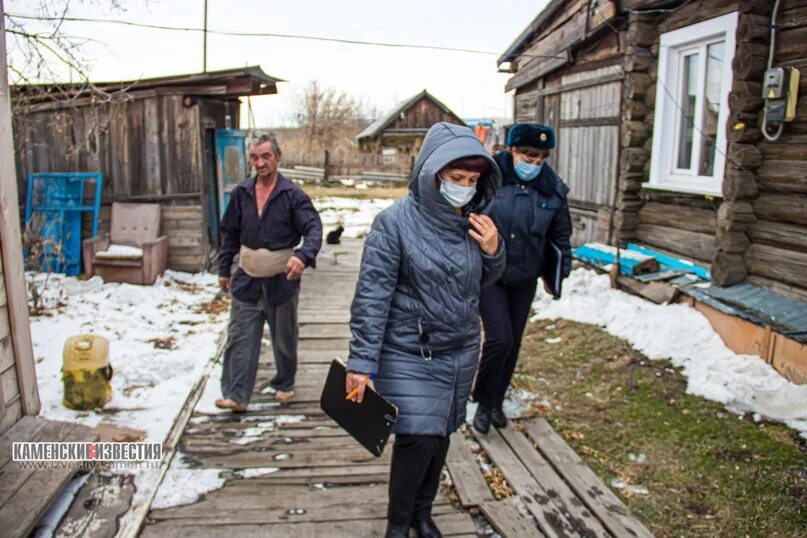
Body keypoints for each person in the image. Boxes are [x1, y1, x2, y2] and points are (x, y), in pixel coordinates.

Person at [345, 122, 505, 538]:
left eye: (472, 181)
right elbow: (371, 297)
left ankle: (421, 513)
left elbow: (480, 280)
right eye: (456, 179)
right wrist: (361, 363)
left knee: (440, 439)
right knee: (416, 439)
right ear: (433, 174)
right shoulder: (393, 223)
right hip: (409, 351)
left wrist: (494, 251)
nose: (465, 188)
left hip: (460, 350)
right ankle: (397, 526)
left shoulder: (474, 221)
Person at [472, 123, 572, 434]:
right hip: (491, 273)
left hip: (525, 277)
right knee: (499, 338)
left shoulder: (553, 190)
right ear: (512, 150)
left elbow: (560, 234)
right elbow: (469, 216)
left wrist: (557, 272)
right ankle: (483, 402)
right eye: (527, 156)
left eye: (540, 159)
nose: (533, 164)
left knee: (513, 343)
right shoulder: (489, 178)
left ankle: (497, 400)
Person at [215, 131, 322, 411]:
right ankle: (236, 395)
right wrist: (224, 267)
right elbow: (230, 232)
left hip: (281, 280)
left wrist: (303, 256)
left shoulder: (292, 195)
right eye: (254, 157)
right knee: (240, 336)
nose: (260, 163)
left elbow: (313, 229)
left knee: (284, 338)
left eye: (265, 156)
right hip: (247, 278)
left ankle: (285, 382)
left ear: (277, 157)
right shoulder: (241, 193)